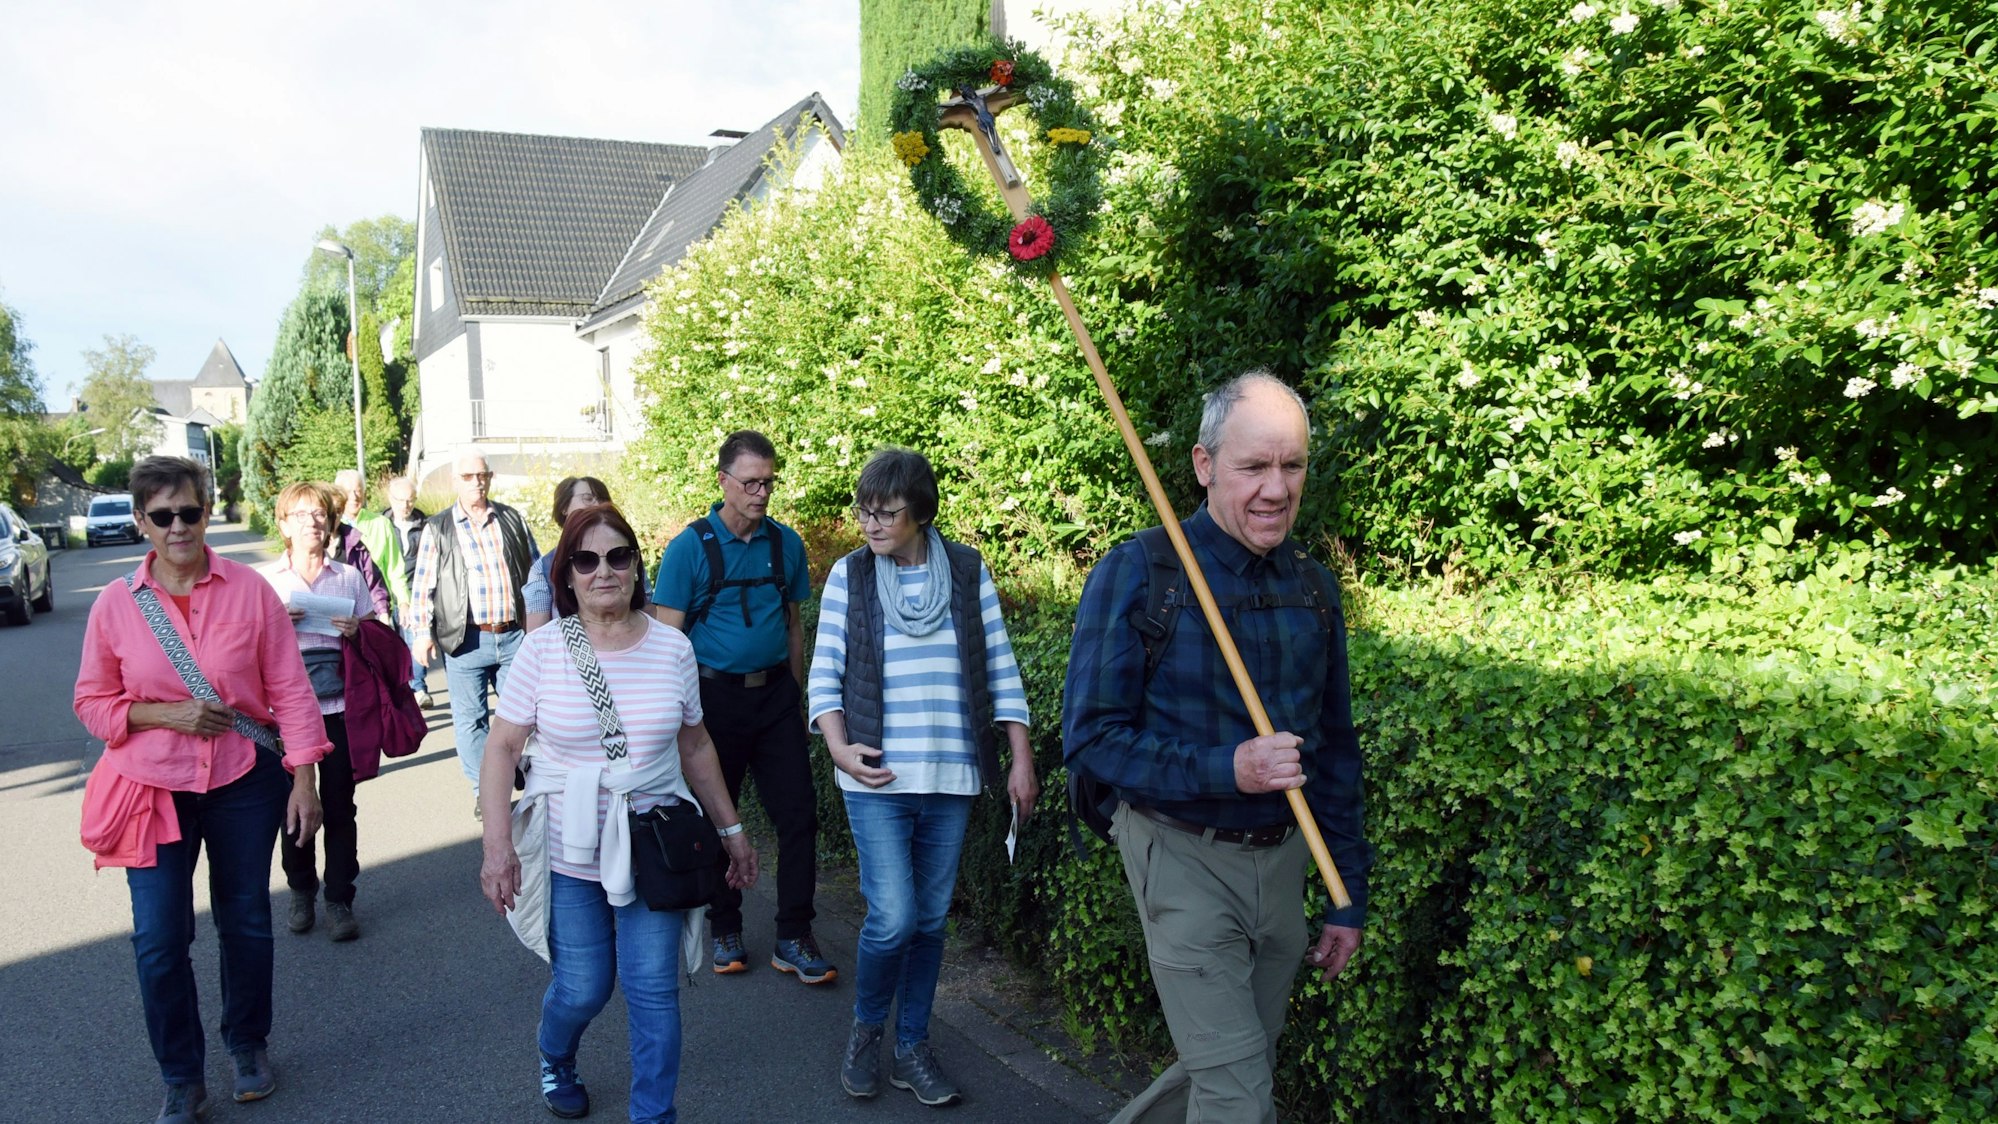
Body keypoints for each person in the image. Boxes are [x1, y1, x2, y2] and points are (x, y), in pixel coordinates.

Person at [1062, 371, 1372, 1124]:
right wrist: (1225, 768)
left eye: (1291, 466)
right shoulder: (1142, 574)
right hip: (1181, 858)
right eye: (1253, 467)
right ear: (1204, 466)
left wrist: (1347, 896)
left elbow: (1332, 753)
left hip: (1284, 863)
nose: (1276, 489)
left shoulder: (1314, 589)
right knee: (1238, 1095)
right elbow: (1091, 739)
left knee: (1235, 1066)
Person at [479, 503, 759, 1123]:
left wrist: (732, 832)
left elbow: (695, 744)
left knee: (653, 991)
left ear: (636, 566)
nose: (603, 570)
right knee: (583, 987)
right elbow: (502, 746)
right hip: (570, 850)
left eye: (617, 556)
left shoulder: (672, 648)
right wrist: (496, 849)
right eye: (586, 559)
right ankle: (556, 1054)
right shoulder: (544, 649)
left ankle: (653, 1115)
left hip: (654, 847)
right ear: (568, 575)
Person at [73, 455, 329, 1124]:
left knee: (245, 919)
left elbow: (290, 691)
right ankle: (181, 1076)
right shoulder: (115, 605)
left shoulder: (249, 591)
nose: (178, 526)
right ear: (141, 523)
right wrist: (163, 713)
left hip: (245, 779)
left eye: (190, 512)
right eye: (162, 516)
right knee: (159, 937)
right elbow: (92, 702)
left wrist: (305, 780)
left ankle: (247, 1044)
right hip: (151, 788)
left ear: (207, 512)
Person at [808, 448, 1039, 1107]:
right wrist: (840, 750)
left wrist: (1021, 756)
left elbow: (1001, 668)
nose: (870, 524)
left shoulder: (965, 571)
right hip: (875, 777)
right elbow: (823, 678)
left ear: (921, 512)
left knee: (931, 920)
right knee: (894, 917)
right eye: (864, 511)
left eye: (885, 512)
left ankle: (911, 1048)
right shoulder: (850, 578)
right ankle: (867, 1029)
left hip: (952, 777)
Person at [649, 431, 830, 981]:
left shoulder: (786, 545)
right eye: (750, 482)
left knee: (799, 816)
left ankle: (794, 934)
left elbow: (794, 625)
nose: (760, 493)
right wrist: (674, 723)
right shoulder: (689, 549)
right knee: (712, 819)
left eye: (768, 482)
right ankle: (724, 925)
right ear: (723, 481)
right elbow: (665, 642)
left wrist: (795, 700)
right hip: (711, 702)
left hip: (774, 699)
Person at [259, 482, 379, 942]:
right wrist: (273, 626)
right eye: (302, 514)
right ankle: (301, 889)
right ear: (284, 524)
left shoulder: (348, 577)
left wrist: (355, 631)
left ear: (330, 522)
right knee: (292, 807)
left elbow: (376, 637)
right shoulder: (267, 582)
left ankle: (339, 897)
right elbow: (245, 652)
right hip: (285, 714)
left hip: (340, 707)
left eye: (320, 514)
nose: (313, 522)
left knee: (340, 806)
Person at [408, 452, 538, 815]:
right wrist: (422, 632)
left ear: (491, 477)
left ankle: (515, 770)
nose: (476, 482)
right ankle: (486, 791)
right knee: (471, 720)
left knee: (525, 715)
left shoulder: (512, 519)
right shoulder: (439, 527)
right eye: (467, 476)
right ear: (456, 481)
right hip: (464, 639)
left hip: (514, 636)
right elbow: (424, 585)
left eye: (482, 475)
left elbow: (536, 571)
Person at [524, 475, 648, 631]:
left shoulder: (626, 554)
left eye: (602, 499)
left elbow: (646, 608)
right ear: (564, 507)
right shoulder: (542, 569)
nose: (604, 572)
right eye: (588, 498)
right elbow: (536, 632)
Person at [334, 468, 407, 631]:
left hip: (379, 608)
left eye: (358, 490)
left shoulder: (381, 523)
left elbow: (395, 569)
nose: (354, 496)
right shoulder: (332, 527)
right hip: (344, 611)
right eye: (348, 491)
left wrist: (403, 602)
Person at [382, 475, 433, 707]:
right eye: (400, 500)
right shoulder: (380, 524)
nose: (405, 506)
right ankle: (396, 690)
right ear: (390, 498)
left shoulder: (426, 526)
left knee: (414, 637)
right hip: (385, 592)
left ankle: (418, 688)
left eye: (410, 500)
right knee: (390, 645)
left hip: (414, 591)